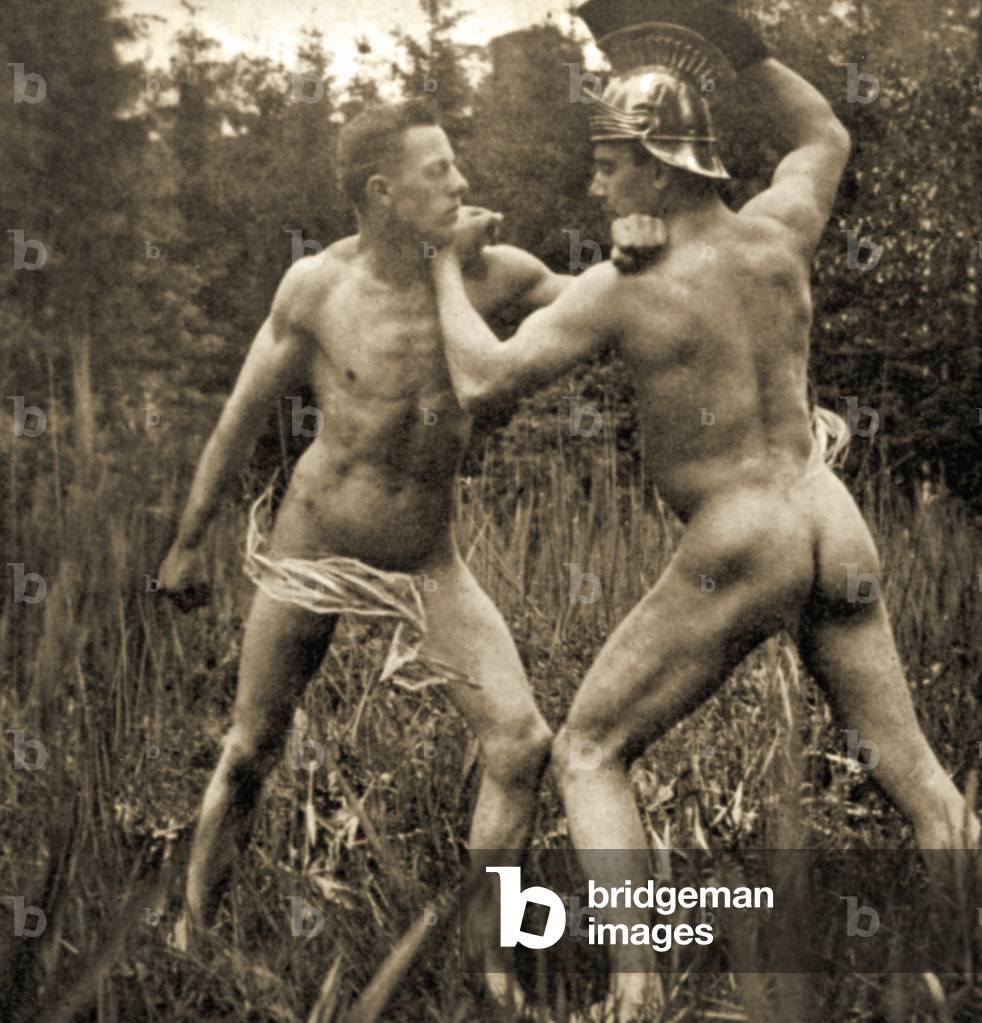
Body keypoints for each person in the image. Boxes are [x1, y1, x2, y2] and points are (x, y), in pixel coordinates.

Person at [431, 15, 980, 1019]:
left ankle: (637, 993)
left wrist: (438, 261)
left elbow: (481, 378)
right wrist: (743, 48)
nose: (597, 184)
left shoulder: (622, 289)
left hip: (742, 535)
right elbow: (823, 136)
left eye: (609, 165)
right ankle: (967, 970)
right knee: (920, 780)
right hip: (830, 517)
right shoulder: (779, 229)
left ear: (655, 165)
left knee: (587, 750)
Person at [158, 100, 662, 1001]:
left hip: (426, 563)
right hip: (312, 545)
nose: (463, 183)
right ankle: (190, 932)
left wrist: (643, 242)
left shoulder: (497, 275)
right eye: (439, 171)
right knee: (252, 744)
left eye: (457, 164)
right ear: (382, 192)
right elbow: (240, 420)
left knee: (520, 742)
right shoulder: (316, 287)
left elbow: (612, 301)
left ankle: (488, 964)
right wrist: (189, 542)